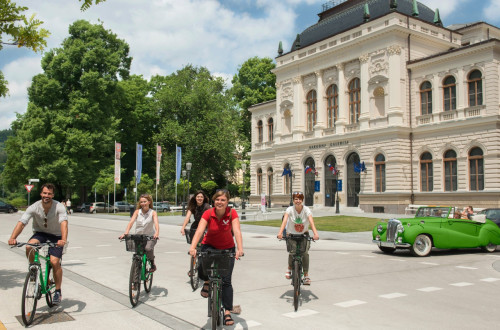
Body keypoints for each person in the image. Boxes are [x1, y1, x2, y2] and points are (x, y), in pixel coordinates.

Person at [189, 190, 244, 326]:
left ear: (227, 202)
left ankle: (227, 312)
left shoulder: (232, 213)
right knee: (202, 264)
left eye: (223, 200)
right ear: (214, 201)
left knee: (226, 281)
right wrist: (193, 247)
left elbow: (236, 231)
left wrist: (240, 249)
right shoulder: (208, 213)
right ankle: (207, 282)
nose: (220, 202)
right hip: (209, 245)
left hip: (227, 248)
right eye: (217, 200)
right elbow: (200, 230)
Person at [8, 183, 68, 305]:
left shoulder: (59, 207)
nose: (47, 195)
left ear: (53, 195)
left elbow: (64, 223)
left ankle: (57, 290)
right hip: (40, 233)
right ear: (41, 194)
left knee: (54, 262)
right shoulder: (34, 207)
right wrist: (13, 237)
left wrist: (63, 239)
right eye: (45, 193)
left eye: (49, 194)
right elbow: (22, 222)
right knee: (29, 246)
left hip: (56, 236)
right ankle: (33, 268)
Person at [277, 191, 319, 285]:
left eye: (300, 199)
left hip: (304, 234)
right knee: (292, 252)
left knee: (304, 253)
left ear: (302, 200)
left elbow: (311, 223)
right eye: (296, 199)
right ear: (293, 200)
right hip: (292, 234)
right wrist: (280, 233)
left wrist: (315, 234)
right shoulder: (289, 210)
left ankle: (306, 275)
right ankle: (289, 268)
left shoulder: (306, 210)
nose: (298, 201)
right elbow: (284, 222)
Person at [119, 194, 159, 272]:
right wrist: (126, 233)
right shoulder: (137, 212)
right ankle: (135, 280)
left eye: (145, 201)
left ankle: (152, 263)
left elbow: (156, 223)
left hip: (150, 236)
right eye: (141, 202)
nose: (143, 203)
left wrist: (157, 233)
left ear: (149, 202)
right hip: (139, 236)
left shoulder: (153, 212)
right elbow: (131, 222)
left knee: (148, 248)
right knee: (137, 256)